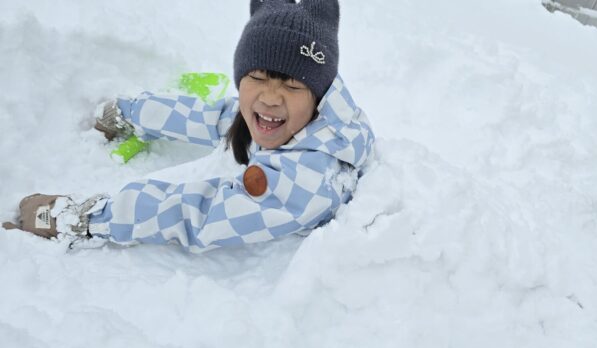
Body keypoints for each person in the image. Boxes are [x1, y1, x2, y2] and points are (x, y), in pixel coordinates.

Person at [3, 0, 375, 253]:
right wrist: (134, 112)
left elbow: (202, 213)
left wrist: (88, 218)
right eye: (257, 77)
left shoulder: (310, 180)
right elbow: (220, 117)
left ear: (318, 94)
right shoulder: (293, 118)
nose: (271, 97)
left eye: (292, 85)